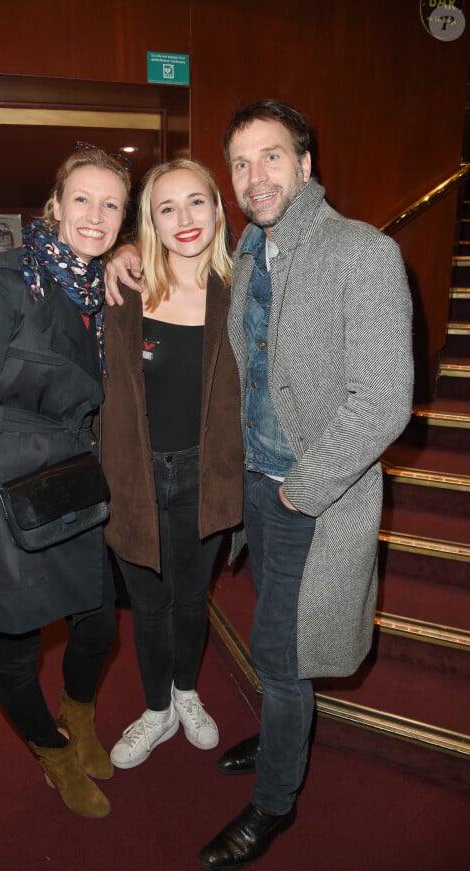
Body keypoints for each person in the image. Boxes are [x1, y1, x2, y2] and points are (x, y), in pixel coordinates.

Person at [105, 100, 414, 869]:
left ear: (306, 164)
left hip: (314, 498)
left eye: (271, 157)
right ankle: (281, 731)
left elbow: (383, 401)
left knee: (283, 653)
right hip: (257, 492)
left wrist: (297, 489)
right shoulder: (246, 254)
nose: (254, 176)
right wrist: (120, 253)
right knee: (281, 647)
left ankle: (275, 802)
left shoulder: (362, 252)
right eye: (240, 163)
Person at [0, 145, 132, 819]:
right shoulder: (1, 279)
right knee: (15, 648)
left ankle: (79, 718)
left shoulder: (98, 292)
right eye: (83, 198)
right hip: (1, 494)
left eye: (111, 204)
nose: (95, 216)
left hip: (71, 487)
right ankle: (52, 750)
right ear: (55, 203)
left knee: (99, 626)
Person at [101, 159, 242, 770]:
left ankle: (186, 692)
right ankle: (155, 709)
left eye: (196, 203)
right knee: (148, 604)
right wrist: (119, 252)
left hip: (206, 477)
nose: (185, 219)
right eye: (166, 208)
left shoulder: (242, 296)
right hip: (134, 477)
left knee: (191, 599)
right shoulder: (122, 291)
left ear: (217, 208)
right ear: (149, 223)